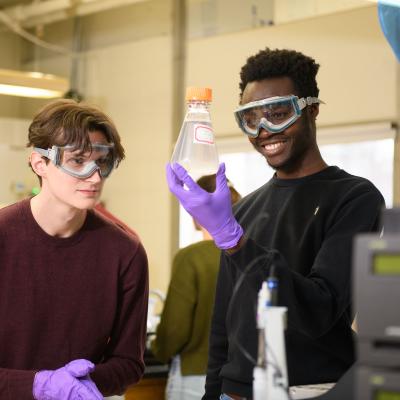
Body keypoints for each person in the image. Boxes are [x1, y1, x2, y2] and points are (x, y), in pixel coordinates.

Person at [166, 47, 385, 400]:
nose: (265, 131)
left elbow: (318, 309)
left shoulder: (354, 198)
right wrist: (213, 393)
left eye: (279, 114)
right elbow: (224, 323)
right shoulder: (244, 210)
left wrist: (235, 241)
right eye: (251, 120)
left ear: (311, 109)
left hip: (313, 389)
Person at [0, 99, 149, 400]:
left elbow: (129, 363)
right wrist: (40, 386)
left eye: (102, 162)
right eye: (77, 161)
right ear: (39, 163)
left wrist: (82, 385)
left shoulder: (125, 252)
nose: (94, 177)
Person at [150, 174, 241, 400]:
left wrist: (159, 350)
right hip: (244, 378)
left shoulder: (191, 258)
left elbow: (175, 328)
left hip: (196, 376)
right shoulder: (254, 253)